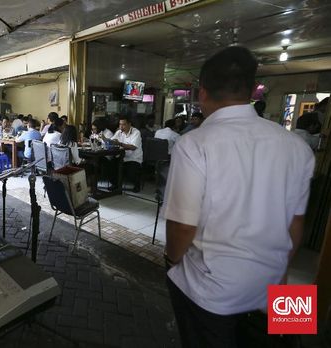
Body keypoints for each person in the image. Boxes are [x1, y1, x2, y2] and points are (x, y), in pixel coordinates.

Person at [163, 46, 315, 347]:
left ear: (202, 93)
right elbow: (297, 225)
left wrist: (170, 259)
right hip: (279, 284)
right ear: (251, 92)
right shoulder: (298, 146)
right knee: (288, 340)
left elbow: (182, 228)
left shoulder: (194, 144)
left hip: (213, 293)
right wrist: (279, 275)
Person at [109, 116, 143, 192]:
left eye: (123, 124)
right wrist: (105, 140)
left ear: (129, 124)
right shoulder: (119, 132)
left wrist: (119, 143)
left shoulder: (136, 132)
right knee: (110, 164)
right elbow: (112, 141)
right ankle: (115, 184)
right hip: (121, 156)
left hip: (133, 158)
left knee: (131, 171)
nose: (121, 126)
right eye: (120, 124)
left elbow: (133, 147)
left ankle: (137, 185)